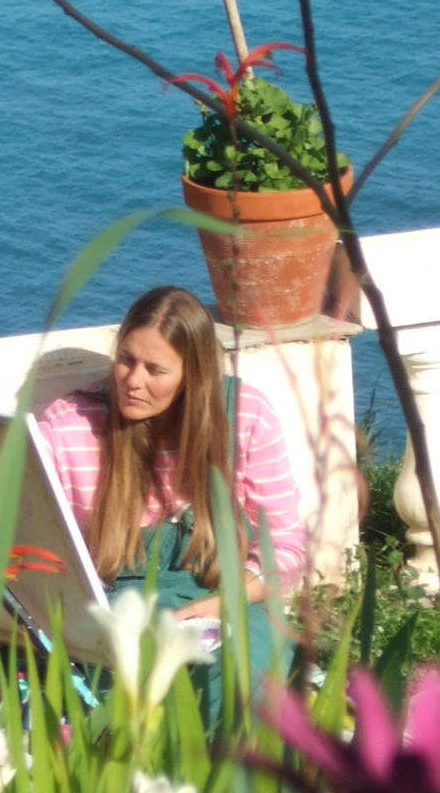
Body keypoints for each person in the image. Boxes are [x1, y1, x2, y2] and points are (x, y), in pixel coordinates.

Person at [33, 285, 304, 720]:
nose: (132, 381)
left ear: (192, 376)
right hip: (120, 609)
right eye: (126, 360)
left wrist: (226, 601)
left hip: (225, 600)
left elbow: (287, 547)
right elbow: (40, 550)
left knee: (242, 683)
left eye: (154, 370)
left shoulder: (245, 415)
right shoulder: (70, 429)